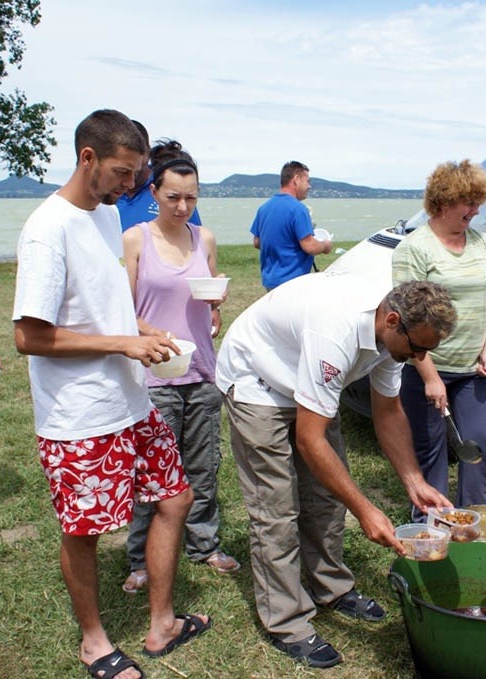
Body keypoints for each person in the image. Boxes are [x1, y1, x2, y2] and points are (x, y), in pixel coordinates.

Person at [13, 109, 210, 678]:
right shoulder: (47, 229)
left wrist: (141, 331)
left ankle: (161, 623)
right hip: (79, 414)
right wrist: (122, 342)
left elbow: (103, 302)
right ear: (87, 158)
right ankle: (95, 642)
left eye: (137, 173)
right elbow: (29, 335)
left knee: (175, 499)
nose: (131, 187)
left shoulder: (101, 215)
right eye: (123, 173)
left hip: (130, 401)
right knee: (85, 532)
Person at [215, 273, 455, 669]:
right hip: (257, 380)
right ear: (392, 320)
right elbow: (311, 441)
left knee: (326, 496)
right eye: (416, 349)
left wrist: (414, 480)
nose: (417, 358)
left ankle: (332, 588)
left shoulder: (393, 336)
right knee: (276, 509)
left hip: (306, 377)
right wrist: (365, 510)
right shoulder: (337, 330)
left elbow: (389, 409)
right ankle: (287, 621)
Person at [119, 140, 238, 594]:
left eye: (191, 197)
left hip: (201, 368)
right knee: (150, 470)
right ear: (154, 193)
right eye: (174, 197)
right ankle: (140, 559)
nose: (183, 206)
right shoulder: (135, 239)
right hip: (154, 373)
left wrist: (216, 304)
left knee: (203, 465)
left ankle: (204, 545)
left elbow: (210, 307)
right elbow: (121, 309)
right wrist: (154, 335)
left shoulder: (203, 239)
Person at [391, 159, 486, 513]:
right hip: (429, 368)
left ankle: (473, 522)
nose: (475, 211)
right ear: (443, 203)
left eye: (478, 203)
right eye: (468, 203)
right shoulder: (414, 249)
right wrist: (430, 378)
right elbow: (407, 322)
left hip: (475, 370)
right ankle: (432, 527)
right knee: (430, 450)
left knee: (481, 442)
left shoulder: (482, 244)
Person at [250, 161, 332, 289]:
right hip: (292, 282)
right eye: (307, 181)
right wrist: (325, 245)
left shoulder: (264, 208)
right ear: (296, 180)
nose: (309, 186)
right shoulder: (298, 209)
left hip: (270, 280)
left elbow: (257, 242)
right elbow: (310, 246)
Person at [116, 120, 202, 232]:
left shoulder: (168, 185)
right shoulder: (104, 193)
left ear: (147, 152)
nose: (130, 180)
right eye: (122, 168)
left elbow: (194, 239)